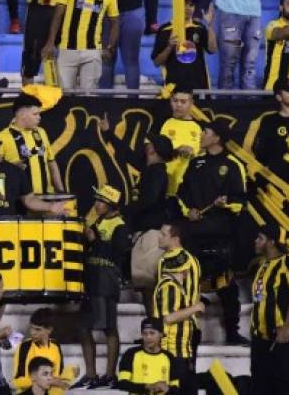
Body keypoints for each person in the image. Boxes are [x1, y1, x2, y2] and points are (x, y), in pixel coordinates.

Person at [175, 121, 248, 345]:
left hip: (220, 233)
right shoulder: (195, 163)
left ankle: (232, 332)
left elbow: (241, 201)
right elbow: (180, 194)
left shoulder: (232, 163)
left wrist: (226, 203)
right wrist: (189, 211)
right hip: (194, 232)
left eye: (205, 132)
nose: (201, 135)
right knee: (189, 283)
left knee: (225, 284)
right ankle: (187, 332)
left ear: (217, 138)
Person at [101, 117, 174, 296]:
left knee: (146, 278)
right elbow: (128, 154)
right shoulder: (149, 168)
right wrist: (109, 134)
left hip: (149, 228)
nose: (144, 146)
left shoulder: (157, 173)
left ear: (152, 149)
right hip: (142, 223)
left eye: (147, 144)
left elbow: (148, 201)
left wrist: (123, 210)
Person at [73, 185, 128, 390]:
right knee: (83, 327)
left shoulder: (119, 225)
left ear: (111, 205)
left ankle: (110, 374)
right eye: (96, 199)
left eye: (101, 201)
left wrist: (95, 240)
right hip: (90, 278)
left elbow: (118, 254)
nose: (96, 204)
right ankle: (90, 374)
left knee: (108, 328)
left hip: (106, 280)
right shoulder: (97, 220)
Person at [41, 0, 120, 90]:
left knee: (88, 97)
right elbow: (57, 16)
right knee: (63, 96)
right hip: (67, 49)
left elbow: (115, 23)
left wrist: (110, 47)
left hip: (93, 52)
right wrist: (50, 42)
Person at [250, 224, 289, 395]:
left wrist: (287, 327)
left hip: (285, 337)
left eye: (259, 238)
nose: (255, 241)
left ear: (271, 242)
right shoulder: (262, 265)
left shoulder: (288, 263)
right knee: (261, 386)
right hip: (262, 338)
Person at [153, 258, 205, 395]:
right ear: (185, 271)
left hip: (181, 352)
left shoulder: (173, 286)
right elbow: (169, 318)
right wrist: (195, 307)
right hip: (173, 353)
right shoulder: (169, 286)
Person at [0, 93, 64, 195]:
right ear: (22, 115)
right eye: (35, 114)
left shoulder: (41, 132)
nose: (39, 117)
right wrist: (11, 168)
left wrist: (61, 191)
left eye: (39, 114)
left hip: (46, 199)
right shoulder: (2, 137)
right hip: (18, 202)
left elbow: (51, 162)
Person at [152, 0, 217, 90]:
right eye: (184, 4)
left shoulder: (199, 27)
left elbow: (212, 50)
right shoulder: (165, 29)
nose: (188, 8)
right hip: (174, 88)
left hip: (199, 86)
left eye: (191, 5)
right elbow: (157, 62)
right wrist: (169, 47)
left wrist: (210, 25)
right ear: (176, 5)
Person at [116, 317, 183, 394]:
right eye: (145, 333)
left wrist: (167, 389)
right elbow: (122, 383)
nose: (148, 337)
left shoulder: (169, 357)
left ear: (161, 334)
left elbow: (176, 388)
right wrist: (146, 387)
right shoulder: (131, 354)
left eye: (152, 333)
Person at [12, 308, 67, 393]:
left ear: (49, 330)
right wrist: (43, 381)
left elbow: (57, 377)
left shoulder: (55, 346)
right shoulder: (24, 347)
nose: (32, 332)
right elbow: (17, 381)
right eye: (31, 328)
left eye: (37, 329)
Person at [159, 89, 202, 196]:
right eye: (175, 101)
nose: (178, 105)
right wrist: (177, 151)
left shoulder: (198, 128)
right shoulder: (163, 124)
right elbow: (155, 152)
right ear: (170, 101)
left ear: (191, 103)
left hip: (190, 185)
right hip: (166, 182)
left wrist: (193, 154)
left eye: (183, 102)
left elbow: (204, 155)